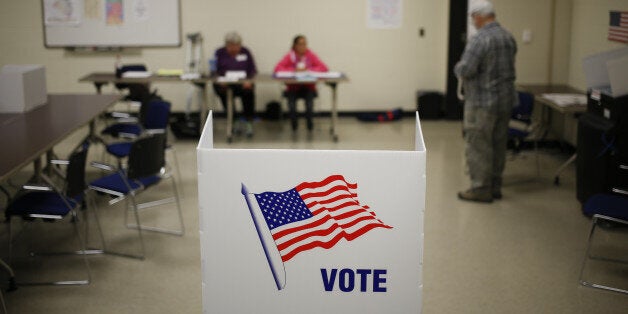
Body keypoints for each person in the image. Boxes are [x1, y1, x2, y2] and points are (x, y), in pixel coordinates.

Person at [454, 0, 517, 203]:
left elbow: (466, 69)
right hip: (505, 102)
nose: (473, 21)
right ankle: (495, 186)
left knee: (479, 145)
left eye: (473, 17)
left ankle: (481, 188)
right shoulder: (508, 37)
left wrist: (457, 68)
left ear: (479, 16)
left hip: (482, 103)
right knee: (498, 144)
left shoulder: (480, 39)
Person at [274, 35, 329, 131]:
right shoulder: (290, 56)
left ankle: (309, 123)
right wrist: (294, 70)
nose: (303, 46)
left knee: (309, 104)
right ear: (294, 45)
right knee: (291, 105)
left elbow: (324, 68)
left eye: (304, 44)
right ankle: (294, 124)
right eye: (300, 44)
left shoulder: (310, 55)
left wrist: (308, 69)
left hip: (308, 87)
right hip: (292, 88)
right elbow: (278, 69)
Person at [213, 31, 258, 137]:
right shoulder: (220, 52)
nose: (234, 48)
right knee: (223, 92)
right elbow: (215, 71)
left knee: (248, 92)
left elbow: (252, 70)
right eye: (231, 46)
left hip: (243, 83)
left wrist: (248, 80)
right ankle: (233, 120)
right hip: (225, 83)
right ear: (226, 45)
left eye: (236, 45)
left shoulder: (245, 52)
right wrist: (220, 80)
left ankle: (248, 120)